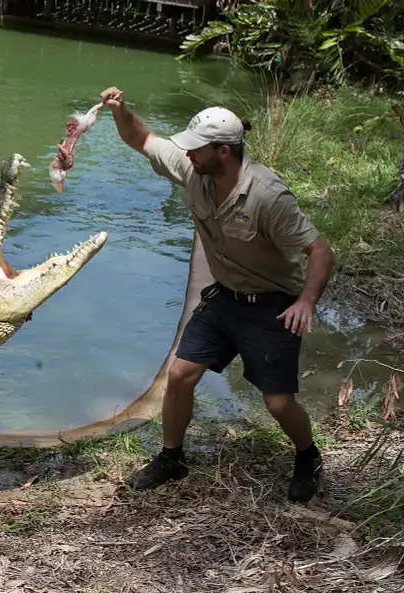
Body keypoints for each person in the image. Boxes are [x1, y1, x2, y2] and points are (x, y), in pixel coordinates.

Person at [99, 86, 336, 503]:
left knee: (278, 403)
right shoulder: (195, 169)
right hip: (225, 297)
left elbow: (319, 250)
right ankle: (172, 457)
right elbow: (143, 139)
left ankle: (308, 455)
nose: (188, 154)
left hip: (272, 305)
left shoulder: (268, 197)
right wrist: (121, 109)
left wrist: (306, 302)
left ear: (223, 151)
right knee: (180, 375)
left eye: (196, 149)